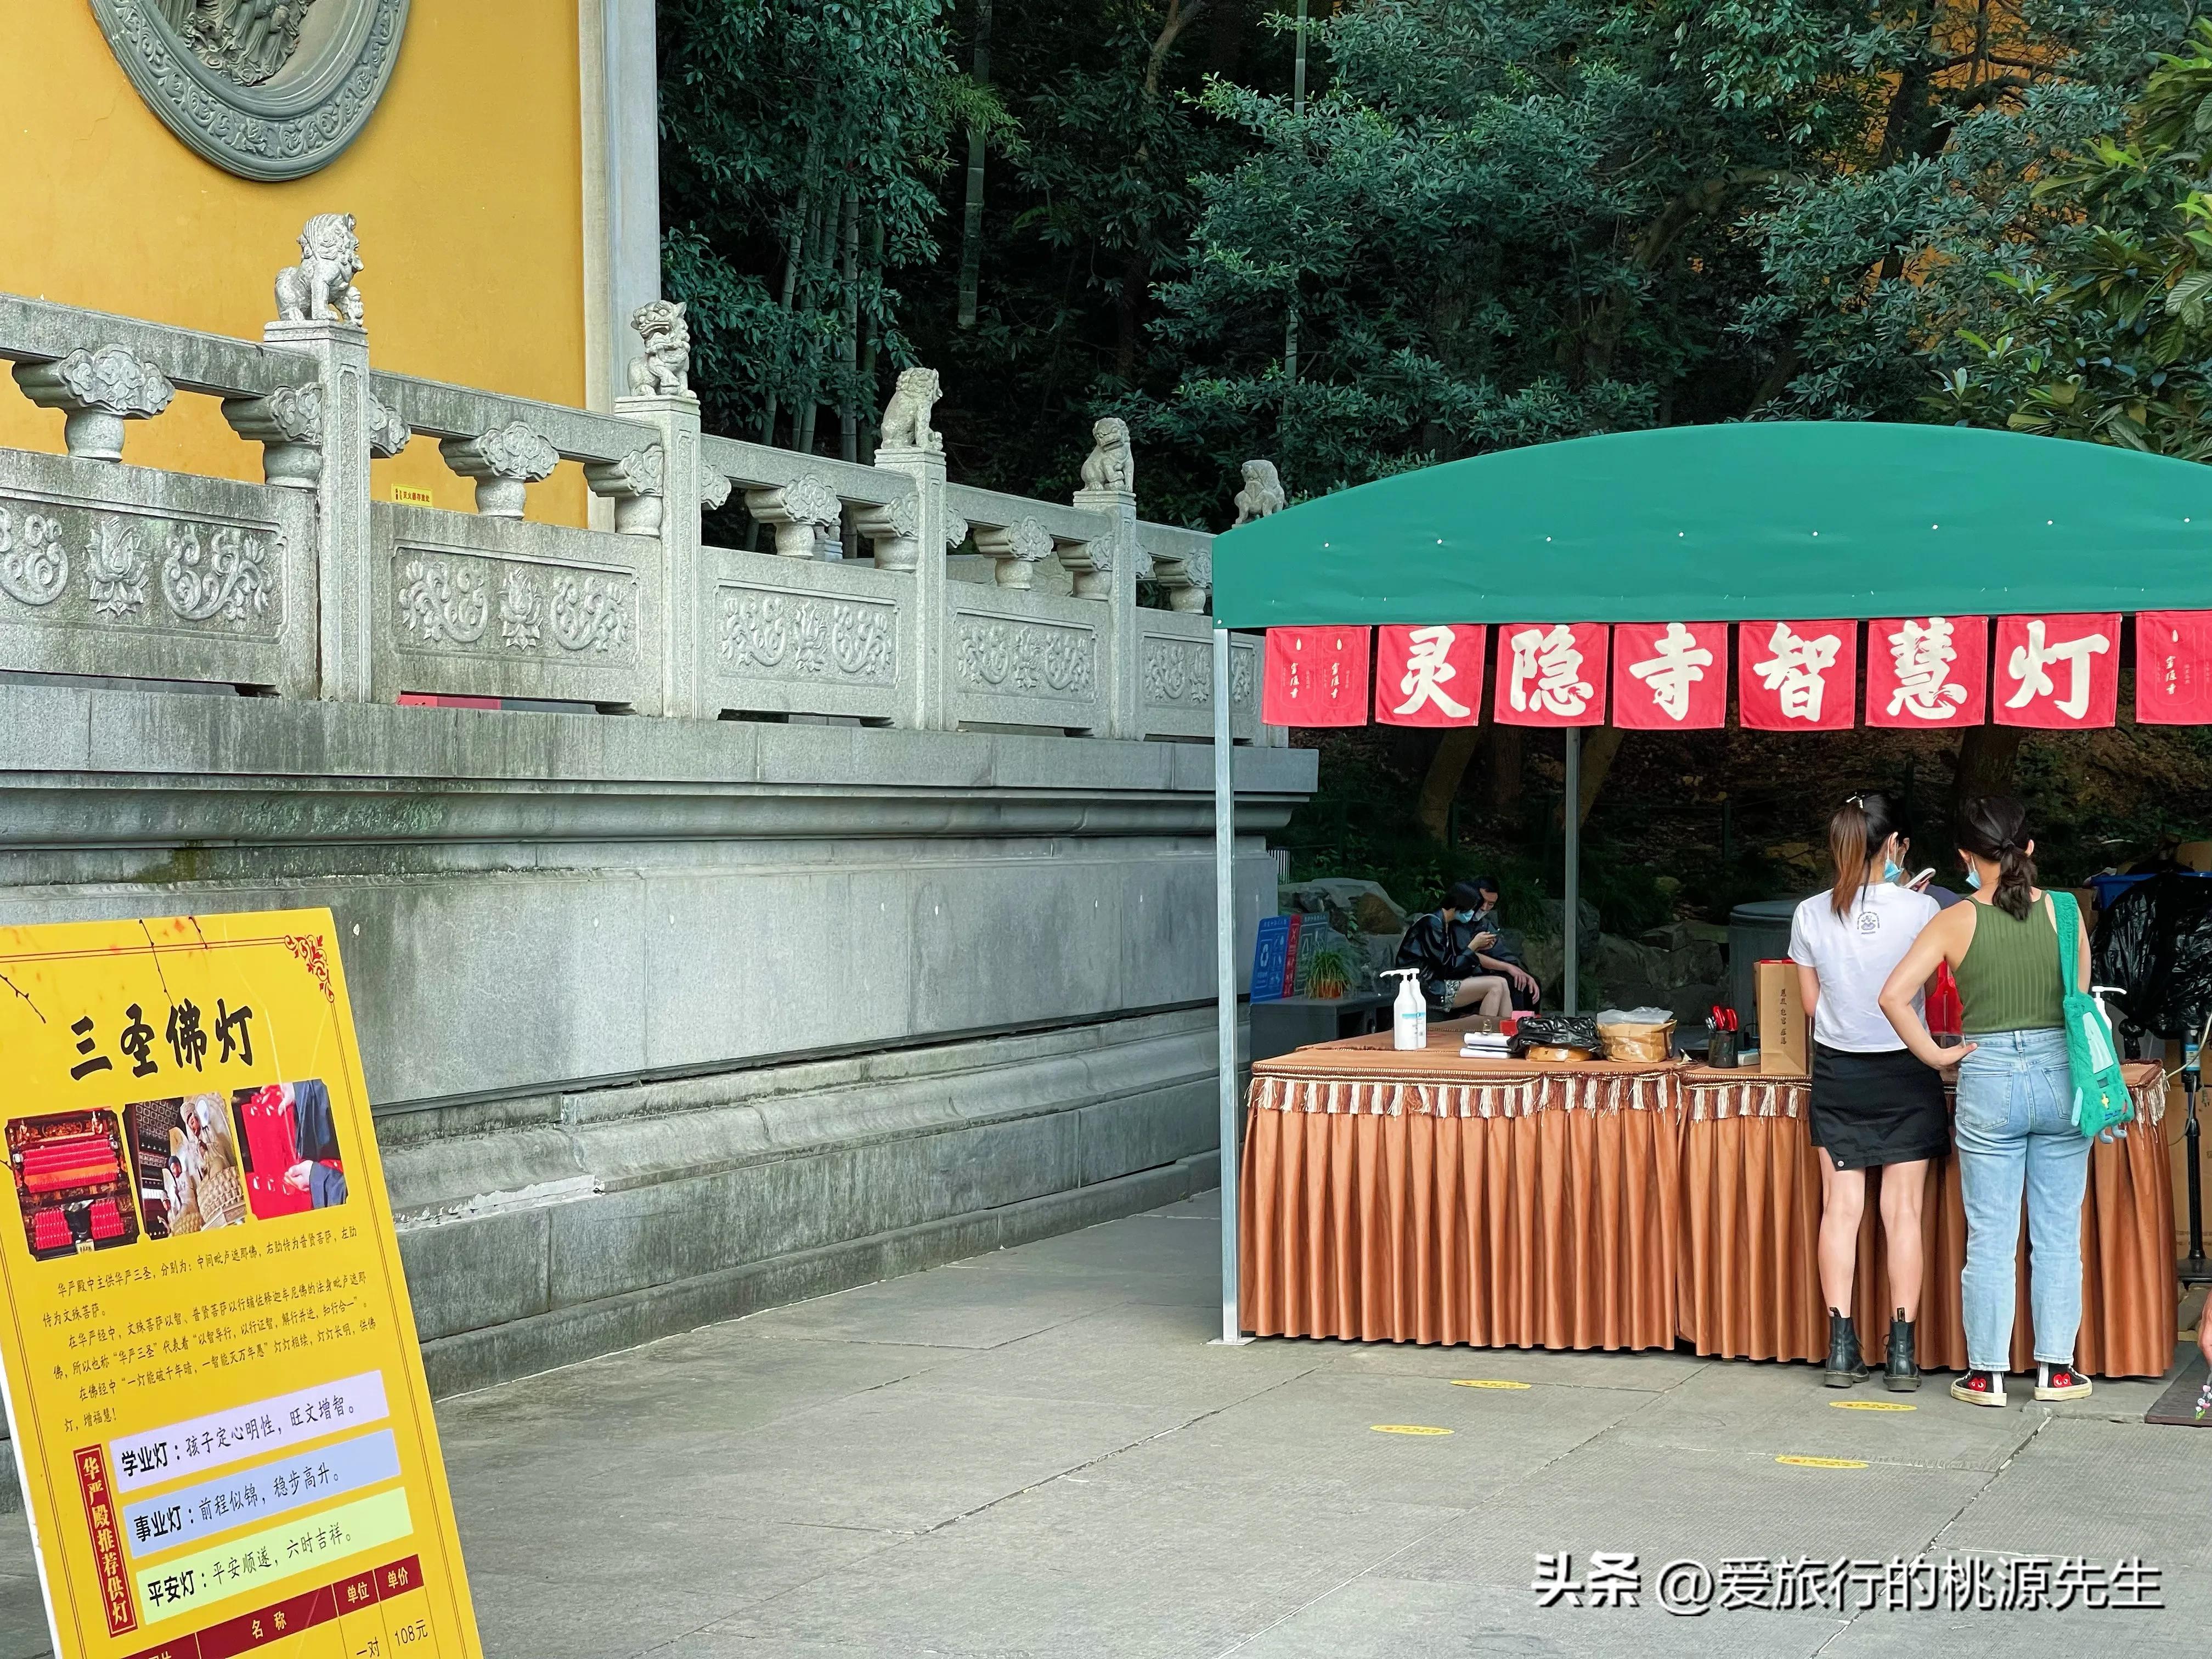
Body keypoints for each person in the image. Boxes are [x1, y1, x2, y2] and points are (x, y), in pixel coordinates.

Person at [1879, 794, 2096, 1409]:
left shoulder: (1952, 919)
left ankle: (1988, 1376)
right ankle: (2057, 1372)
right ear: (2030, 848)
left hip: (1989, 1074)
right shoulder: (2067, 913)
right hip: (2062, 1076)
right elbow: (2077, 1000)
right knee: (2058, 1234)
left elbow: (1894, 996)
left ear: (1966, 857)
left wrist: (1937, 1055)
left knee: (1992, 1235)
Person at [1788, 793, 1944, 1392]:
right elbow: (1925, 985)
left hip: (1839, 1071)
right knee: (1902, 1212)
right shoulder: (1920, 910)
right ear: (1895, 845)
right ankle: (1902, 1356)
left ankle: (1840, 1349)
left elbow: (1809, 1006)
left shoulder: (1809, 914)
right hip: (1907, 1066)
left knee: (1841, 1210)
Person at [1396, 881, 1539, 1020]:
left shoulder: (1444, 924)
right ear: (1458, 906)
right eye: (1472, 909)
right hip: (1426, 987)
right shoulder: (1431, 923)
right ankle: (1484, 1035)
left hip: (1438, 982)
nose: (1474, 913)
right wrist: (1473, 947)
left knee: (1502, 982)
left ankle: (1507, 1035)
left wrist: (1478, 948)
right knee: (1495, 985)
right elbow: (1447, 968)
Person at [1466, 876, 1542, 1012]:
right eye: (1482, 902)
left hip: (1486, 967)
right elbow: (1463, 954)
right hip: (1466, 972)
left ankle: (1528, 1027)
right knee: (1513, 983)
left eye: (1491, 904)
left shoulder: (1485, 924)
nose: (1484, 908)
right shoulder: (1458, 921)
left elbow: (1501, 953)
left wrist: (1520, 971)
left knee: (1528, 981)